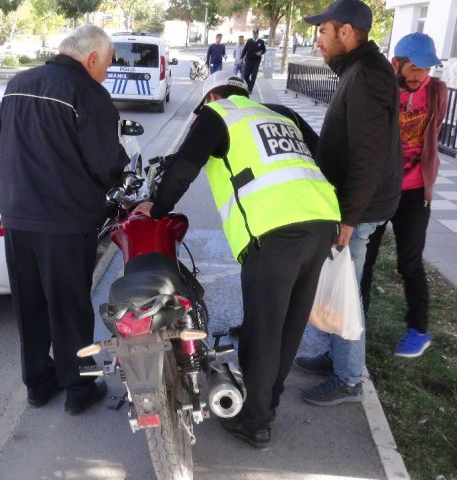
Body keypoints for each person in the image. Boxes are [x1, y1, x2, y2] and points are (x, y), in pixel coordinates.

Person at [134, 71, 341, 450]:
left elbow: (184, 166)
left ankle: (256, 422)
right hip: (322, 222)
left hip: (275, 232)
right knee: (290, 323)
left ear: (211, 95)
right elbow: (326, 156)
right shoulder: (280, 114)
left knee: (263, 330)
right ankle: (268, 405)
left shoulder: (217, 115)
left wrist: (158, 207)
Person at [0, 25, 130, 415]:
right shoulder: (88, 93)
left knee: (30, 305)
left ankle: (37, 384)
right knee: (69, 308)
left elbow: (3, 134)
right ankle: (78, 390)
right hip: (66, 223)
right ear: (90, 59)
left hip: (17, 218)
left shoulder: (18, 82)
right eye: (105, 65)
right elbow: (107, 163)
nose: (105, 73)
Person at [295, 0, 402, 406]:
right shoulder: (358, 69)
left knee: (347, 291)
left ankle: (350, 378)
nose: (317, 38)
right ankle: (336, 356)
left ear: (346, 31)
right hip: (356, 205)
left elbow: (368, 157)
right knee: (341, 284)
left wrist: (348, 219)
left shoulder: (368, 75)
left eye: (323, 30)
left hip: (361, 209)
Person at [360, 33, 448, 358]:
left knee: (410, 263)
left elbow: (433, 133)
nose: (419, 76)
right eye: (414, 68)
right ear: (396, 63)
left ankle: (418, 330)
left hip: (414, 193)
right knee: (363, 261)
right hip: (381, 190)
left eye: (425, 70)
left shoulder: (436, 92)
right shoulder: (380, 89)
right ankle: (356, 325)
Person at [241, 27, 266, 93]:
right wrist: (241, 57)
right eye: (254, 33)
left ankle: (250, 89)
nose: (255, 35)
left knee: (253, 76)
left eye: (256, 33)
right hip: (248, 60)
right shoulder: (249, 41)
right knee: (246, 75)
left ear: (258, 34)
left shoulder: (261, 41)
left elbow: (264, 50)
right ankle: (250, 86)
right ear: (252, 33)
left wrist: (260, 53)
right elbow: (245, 50)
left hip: (256, 61)